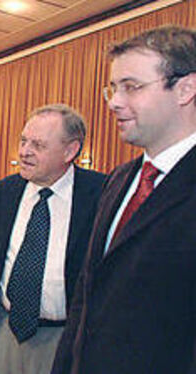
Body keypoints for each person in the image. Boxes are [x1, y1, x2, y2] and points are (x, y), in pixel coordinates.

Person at [51, 26, 196, 374]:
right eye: (113, 89)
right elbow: (86, 300)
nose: (114, 102)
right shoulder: (119, 179)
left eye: (131, 87)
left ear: (186, 89)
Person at [0, 104, 105, 374]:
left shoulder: (101, 194)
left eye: (38, 145)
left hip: (66, 338)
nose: (24, 152)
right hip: (3, 328)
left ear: (70, 150)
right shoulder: (2, 193)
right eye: (23, 140)